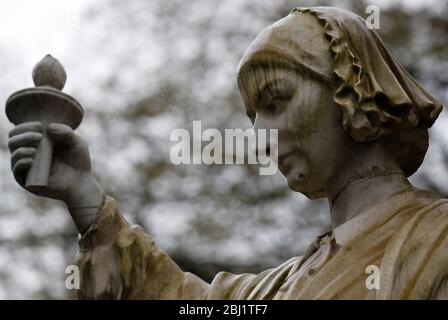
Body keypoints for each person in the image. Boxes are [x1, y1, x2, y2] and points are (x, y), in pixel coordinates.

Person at [7, 7, 448, 299]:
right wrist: (86, 199)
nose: (262, 137)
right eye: (255, 118)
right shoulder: (275, 291)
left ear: (351, 91)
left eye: (277, 101)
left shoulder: (437, 239)